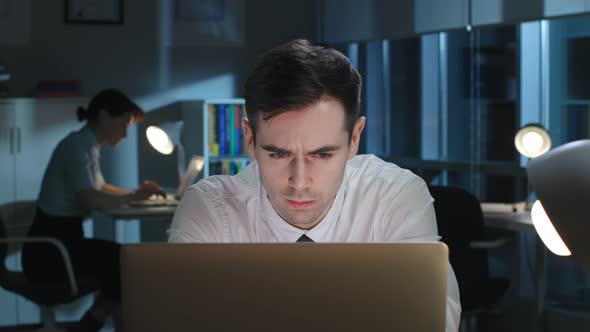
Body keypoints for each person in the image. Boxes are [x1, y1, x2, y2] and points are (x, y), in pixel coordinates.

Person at [168, 39, 461, 331]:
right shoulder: (209, 208)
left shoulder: (394, 197)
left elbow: (434, 321)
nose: (299, 181)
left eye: (321, 154)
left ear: (355, 138)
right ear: (250, 138)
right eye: (279, 154)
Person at [22, 89, 165, 332]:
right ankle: (93, 323)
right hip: (50, 251)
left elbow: (99, 187)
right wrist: (134, 196)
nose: (126, 134)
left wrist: (136, 192)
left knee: (122, 259)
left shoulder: (86, 144)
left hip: (59, 243)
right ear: (105, 116)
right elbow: (91, 199)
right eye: (124, 124)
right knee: (126, 260)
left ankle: (94, 322)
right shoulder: (78, 147)